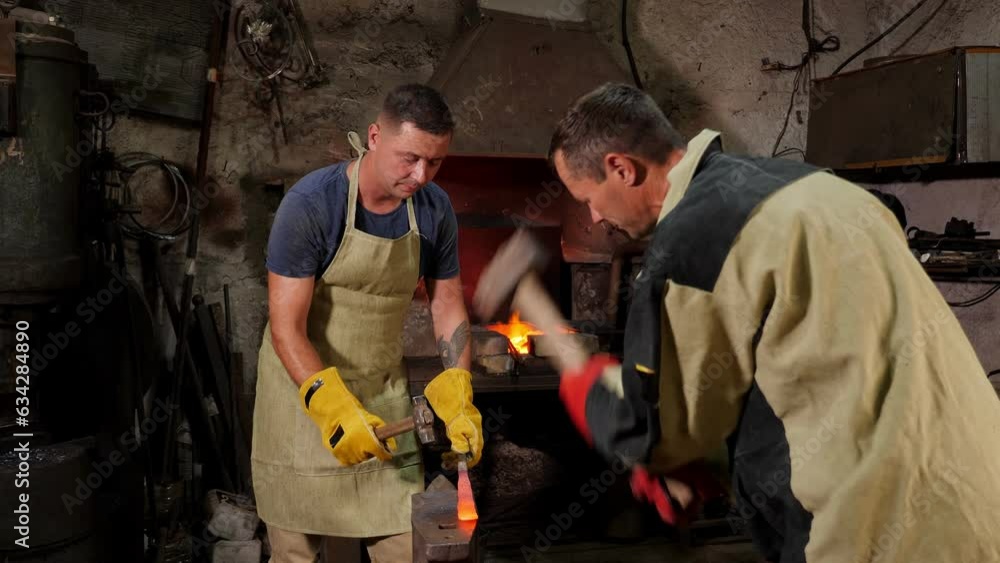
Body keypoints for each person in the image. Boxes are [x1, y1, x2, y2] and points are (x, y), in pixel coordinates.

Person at [549, 83, 1000, 563]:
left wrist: (590, 392)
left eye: (588, 198)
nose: (593, 218)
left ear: (621, 167)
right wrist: (720, 460)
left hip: (878, 530)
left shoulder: (694, 242)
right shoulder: (816, 188)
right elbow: (821, 370)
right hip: (979, 497)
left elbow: (661, 431)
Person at [252, 84, 483, 563]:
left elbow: (446, 304)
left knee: (404, 548)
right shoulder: (313, 204)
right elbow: (286, 328)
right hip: (306, 404)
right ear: (375, 137)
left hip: (382, 394)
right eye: (410, 158)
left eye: (435, 162)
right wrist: (333, 408)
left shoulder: (435, 210)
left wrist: (458, 384)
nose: (421, 175)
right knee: (297, 556)